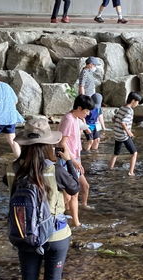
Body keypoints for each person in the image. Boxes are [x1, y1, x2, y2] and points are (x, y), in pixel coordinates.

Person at [6, 118, 80, 280]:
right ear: (48, 144)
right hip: (56, 236)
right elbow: (75, 187)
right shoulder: (54, 168)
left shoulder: (12, 169)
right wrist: (67, 160)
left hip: (25, 235)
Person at [58, 94, 95, 227]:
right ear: (79, 108)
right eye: (86, 111)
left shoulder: (75, 117)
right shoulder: (68, 119)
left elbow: (84, 127)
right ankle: (74, 222)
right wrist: (73, 161)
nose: (88, 113)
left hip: (73, 158)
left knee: (82, 187)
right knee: (72, 193)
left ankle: (71, 217)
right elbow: (63, 143)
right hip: (67, 159)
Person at [109, 91, 141, 176]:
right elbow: (123, 123)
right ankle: (131, 172)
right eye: (137, 102)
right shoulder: (130, 110)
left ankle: (110, 168)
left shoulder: (122, 107)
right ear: (133, 101)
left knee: (116, 153)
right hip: (123, 135)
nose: (137, 104)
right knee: (134, 153)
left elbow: (114, 118)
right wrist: (129, 132)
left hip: (117, 134)